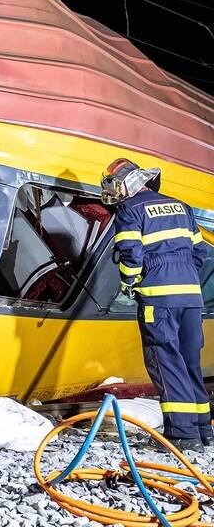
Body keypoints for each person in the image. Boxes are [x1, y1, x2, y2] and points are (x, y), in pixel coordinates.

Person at [103, 157, 211, 450]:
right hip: (191, 298)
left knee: (166, 363)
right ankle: (203, 430)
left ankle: (182, 435)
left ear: (129, 182)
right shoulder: (181, 207)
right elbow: (199, 253)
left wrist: (129, 282)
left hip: (159, 299)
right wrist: (181, 275)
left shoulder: (130, 209)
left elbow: (131, 253)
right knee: (189, 362)